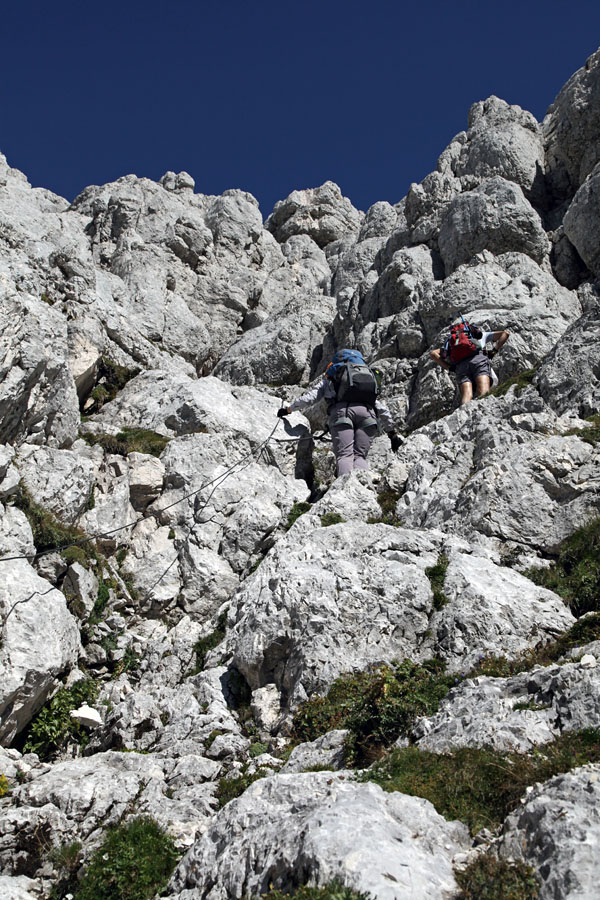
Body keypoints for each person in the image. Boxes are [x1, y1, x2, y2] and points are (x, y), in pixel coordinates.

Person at [277, 349, 401, 477]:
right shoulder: (365, 380)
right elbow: (382, 409)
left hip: (342, 415)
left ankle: (346, 492)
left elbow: (310, 398)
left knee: (345, 456)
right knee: (360, 457)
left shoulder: (332, 378)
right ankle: (363, 488)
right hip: (368, 415)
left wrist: (288, 410)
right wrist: (392, 434)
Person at [430, 322, 509, 405]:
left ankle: (466, 413)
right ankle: (485, 409)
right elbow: (505, 334)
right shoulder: (479, 335)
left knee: (466, 396)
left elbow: (433, 353)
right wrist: (493, 352)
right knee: (483, 391)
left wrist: (449, 367)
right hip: (478, 360)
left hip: (461, 367)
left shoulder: (452, 342)